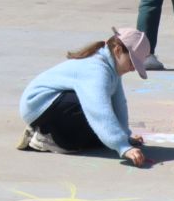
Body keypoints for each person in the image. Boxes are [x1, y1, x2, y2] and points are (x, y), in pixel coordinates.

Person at [17, 27, 152, 166]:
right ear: (117, 50)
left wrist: (125, 137)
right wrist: (122, 146)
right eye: (132, 62)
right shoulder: (96, 69)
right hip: (38, 106)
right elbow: (98, 111)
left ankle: (54, 133)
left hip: (57, 103)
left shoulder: (113, 67)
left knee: (101, 136)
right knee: (92, 115)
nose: (132, 69)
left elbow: (119, 103)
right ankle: (42, 137)